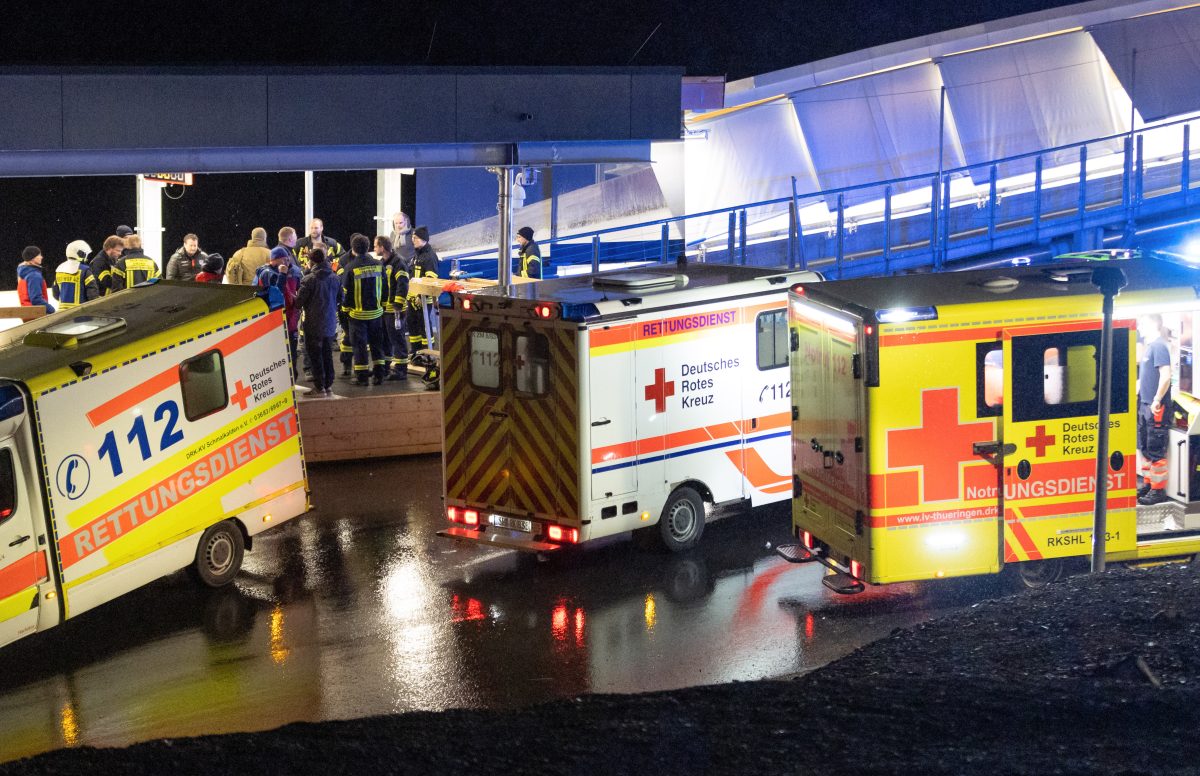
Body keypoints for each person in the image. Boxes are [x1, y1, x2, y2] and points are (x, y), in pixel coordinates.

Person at [340, 234, 388, 385]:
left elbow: (345, 293)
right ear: (368, 247)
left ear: (353, 249)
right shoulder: (379, 265)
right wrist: (383, 305)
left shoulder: (350, 268)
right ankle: (379, 375)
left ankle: (362, 377)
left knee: (359, 346)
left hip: (357, 315)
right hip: (377, 313)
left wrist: (345, 309)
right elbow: (386, 288)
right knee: (377, 344)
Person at [294, 248, 341, 397]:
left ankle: (319, 387)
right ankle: (328, 386)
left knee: (315, 355)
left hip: (313, 324)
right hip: (330, 323)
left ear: (311, 261)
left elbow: (298, 303)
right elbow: (341, 298)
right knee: (327, 354)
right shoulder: (335, 278)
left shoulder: (308, 280)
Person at [1138, 314, 1173, 506]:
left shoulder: (1159, 346)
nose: (1140, 327)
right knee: (1145, 447)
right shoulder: (1149, 348)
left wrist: (1157, 399)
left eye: (1142, 322)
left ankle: (1158, 491)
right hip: (1145, 405)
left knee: (1155, 448)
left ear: (1152, 324)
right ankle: (1149, 484)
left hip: (1156, 406)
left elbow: (1165, 376)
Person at [258, 247, 302, 379]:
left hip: (291, 319)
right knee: (277, 355)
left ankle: (292, 380)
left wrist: (297, 301)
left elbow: (299, 290)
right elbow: (277, 294)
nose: (287, 261)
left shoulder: (294, 271)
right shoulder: (267, 273)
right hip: (274, 321)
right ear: (274, 260)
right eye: (284, 259)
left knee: (292, 353)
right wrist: (282, 275)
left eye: (288, 258)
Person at [376, 235, 410, 379]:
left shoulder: (398, 262)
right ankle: (386, 367)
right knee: (386, 339)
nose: (374, 248)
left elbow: (403, 285)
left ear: (382, 248)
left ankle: (401, 370)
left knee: (397, 339)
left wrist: (397, 305)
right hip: (385, 309)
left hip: (395, 310)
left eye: (375, 246)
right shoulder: (383, 262)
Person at [407, 226, 440, 353]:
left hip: (422, 300)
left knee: (424, 327)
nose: (413, 240)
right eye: (412, 238)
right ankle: (416, 352)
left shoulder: (429, 257)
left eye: (415, 238)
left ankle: (428, 353)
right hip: (412, 299)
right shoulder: (417, 255)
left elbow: (430, 280)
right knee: (412, 325)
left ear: (424, 239)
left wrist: (422, 296)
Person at [52, 240, 99, 309]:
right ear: (81, 254)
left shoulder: (60, 270)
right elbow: (92, 294)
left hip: (63, 313)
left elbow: (55, 294)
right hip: (81, 314)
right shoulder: (85, 270)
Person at [17, 246, 53, 314]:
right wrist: (52, 310)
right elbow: (36, 300)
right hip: (36, 314)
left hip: (27, 313)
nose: (41, 257)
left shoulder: (23, 273)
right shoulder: (34, 275)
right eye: (39, 255)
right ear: (32, 258)